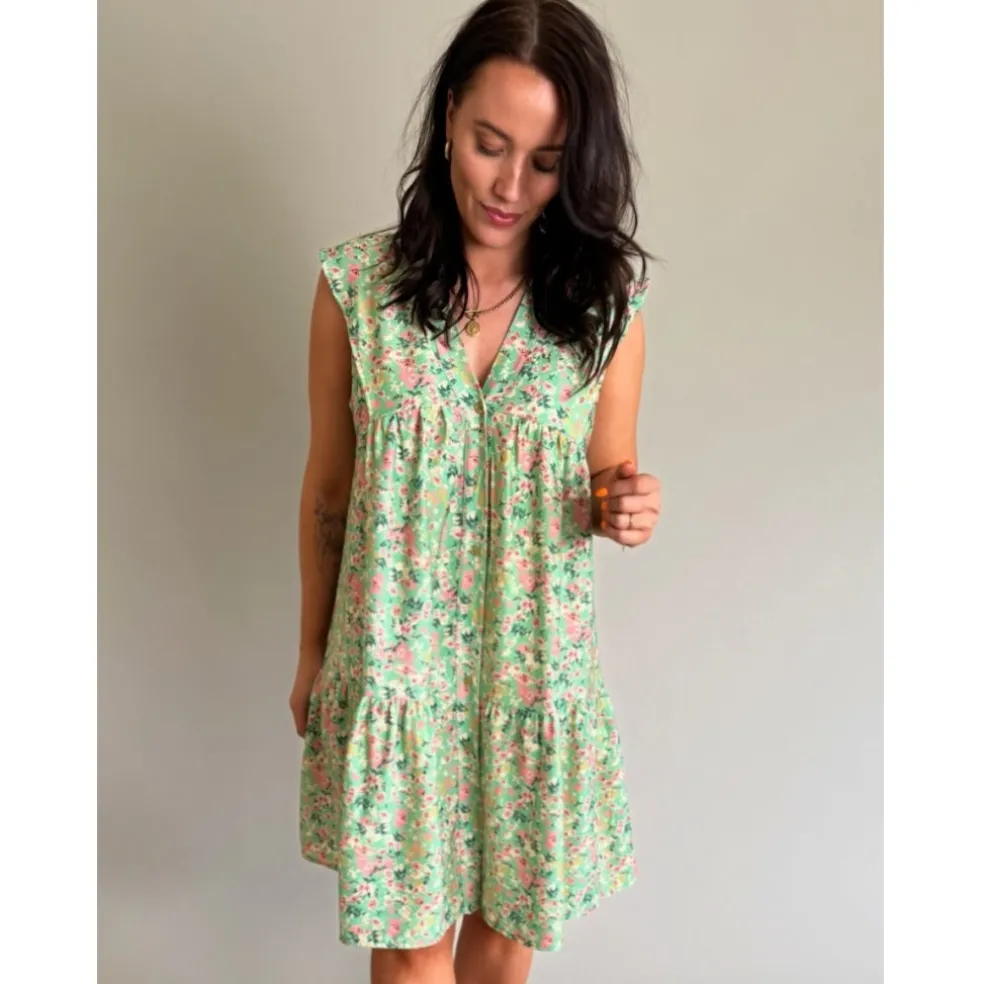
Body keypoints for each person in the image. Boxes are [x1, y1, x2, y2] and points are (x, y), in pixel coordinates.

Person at [290, 1, 662, 980]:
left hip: (532, 674)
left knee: (502, 946)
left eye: (544, 163)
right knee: (414, 958)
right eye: (490, 144)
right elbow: (329, 488)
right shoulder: (357, 290)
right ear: (450, 113)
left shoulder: (605, 310)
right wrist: (312, 651)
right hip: (397, 671)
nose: (509, 185)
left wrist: (626, 505)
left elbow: (608, 478)